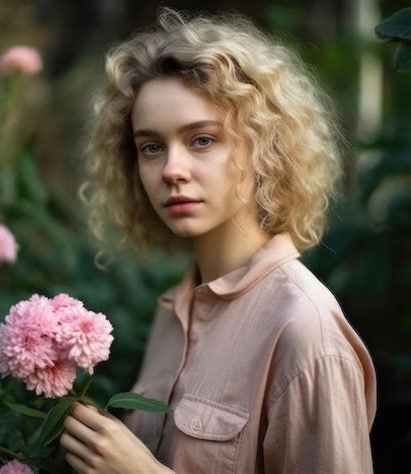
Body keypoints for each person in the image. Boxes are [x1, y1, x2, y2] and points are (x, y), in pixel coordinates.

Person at [60, 7, 377, 473]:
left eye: (202, 140)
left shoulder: (305, 332)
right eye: (151, 147)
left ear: (265, 145)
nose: (171, 170)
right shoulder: (173, 311)